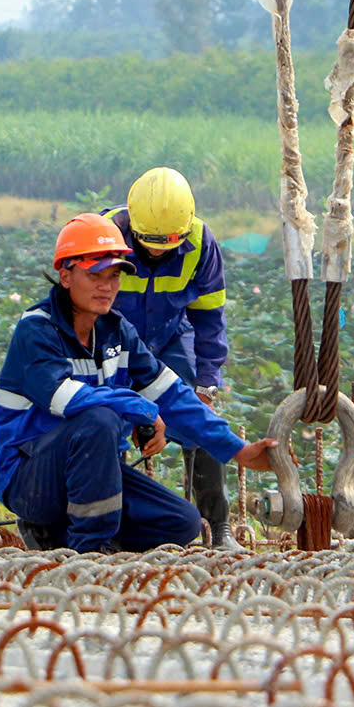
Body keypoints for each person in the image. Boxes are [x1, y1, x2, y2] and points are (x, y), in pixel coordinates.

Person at [0, 213, 275, 553]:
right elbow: (65, 399)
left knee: (181, 522)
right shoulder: (36, 330)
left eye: (114, 276)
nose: (106, 286)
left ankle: (61, 536)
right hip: (29, 476)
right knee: (99, 419)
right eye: (95, 275)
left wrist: (240, 451)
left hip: (92, 473)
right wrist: (141, 408)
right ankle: (88, 552)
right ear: (66, 276)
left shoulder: (117, 331)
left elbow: (172, 394)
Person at [106, 167, 241, 548]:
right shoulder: (104, 236)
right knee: (103, 426)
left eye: (167, 244)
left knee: (201, 422)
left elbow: (210, 318)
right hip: (111, 344)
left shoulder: (200, 243)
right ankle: (109, 526)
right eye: (149, 243)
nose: (158, 252)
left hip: (169, 336)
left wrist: (206, 383)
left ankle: (218, 528)